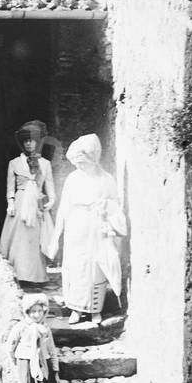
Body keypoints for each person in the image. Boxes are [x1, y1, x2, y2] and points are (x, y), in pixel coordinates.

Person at [47, 133, 127, 326]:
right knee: (76, 267)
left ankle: (95, 311)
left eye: (83, 162)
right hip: (77, 226)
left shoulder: (106, 179)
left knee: (95, 268)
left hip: (97, 226)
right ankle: (75, 309)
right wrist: (57, 235)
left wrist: (105, 205)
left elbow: (115, 204)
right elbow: (64, 207)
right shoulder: (73, 179)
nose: (79, 166)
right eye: (77, 163)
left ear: (93, 159)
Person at [0, 120, 56, 283]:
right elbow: (10, 188)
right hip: (20, 203)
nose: (29, 144)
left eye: (32, 141)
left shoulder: (45, 164)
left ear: (37, 143)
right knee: (18, 239)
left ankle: (34, 276)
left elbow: (50, 186)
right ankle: (16, 275)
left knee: (34, 239)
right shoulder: (14, 163)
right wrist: (10, 203)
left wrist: (50, 201)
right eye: (26, 141)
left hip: (36, 204)